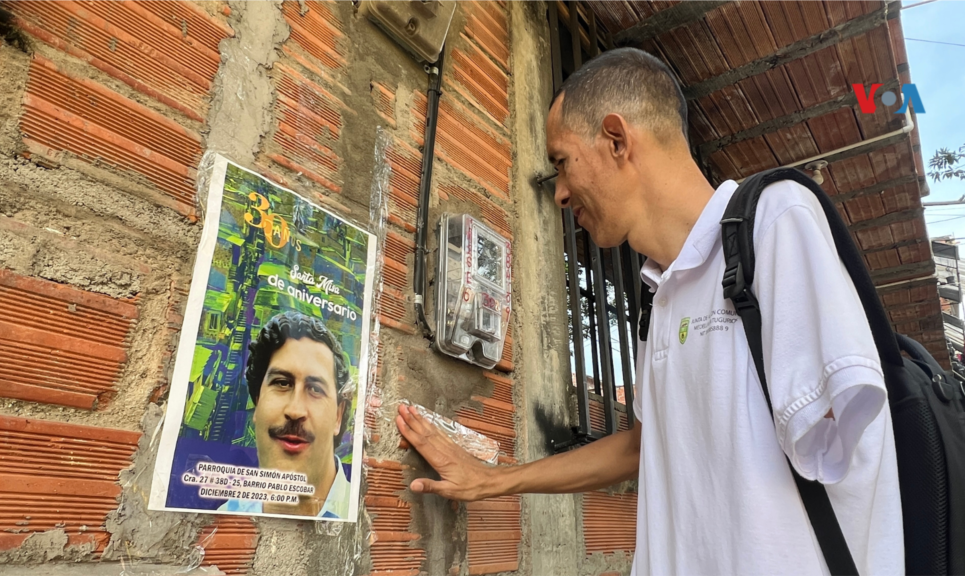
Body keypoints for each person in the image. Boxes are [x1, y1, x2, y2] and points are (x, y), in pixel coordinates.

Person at [396, 47, 903, 575]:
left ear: (616, 140)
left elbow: (843, 448)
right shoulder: (659, 299)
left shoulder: (774, 223)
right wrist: (491, 480)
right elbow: (642, 446)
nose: (560, 194)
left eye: (562, 162)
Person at [221, 311, 352, 518]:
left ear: (338, 415)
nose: (295, 410)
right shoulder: (224, 518)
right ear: (257, 401)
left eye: (316, 389)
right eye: (282, 383)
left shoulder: (366, 516)